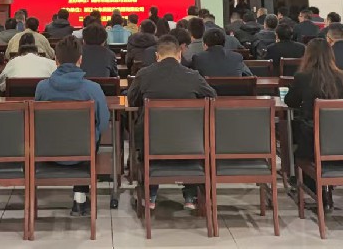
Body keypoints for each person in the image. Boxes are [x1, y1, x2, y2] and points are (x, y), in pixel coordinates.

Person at [126, 35, 216, 211]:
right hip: (190, 143)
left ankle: (150, 195)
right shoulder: (193, 76)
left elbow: (132, 100)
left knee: (145, 139)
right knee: (190, 142)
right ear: (179, 55)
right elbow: (212, 97)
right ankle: (190, 195)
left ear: (157, 56)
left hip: (152, 142)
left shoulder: (144, 74)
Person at [34, 37, 110, 216]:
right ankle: (80, 198)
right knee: (92, 136)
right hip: (83, 152)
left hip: (48, 151)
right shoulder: (93, 89)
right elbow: (104, 123)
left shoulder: (42, 88)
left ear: (56, 60)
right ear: (80, 59)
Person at [284, 39, 343, 193]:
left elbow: (291, 101)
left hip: (312, 137)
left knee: (287, 129)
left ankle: (295, 175)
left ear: (308, 55)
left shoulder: (302, 77)